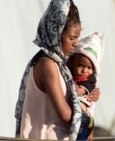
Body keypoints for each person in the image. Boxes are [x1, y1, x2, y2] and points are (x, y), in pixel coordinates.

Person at [14, 0, 100, 140]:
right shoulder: (47, 65)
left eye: (77, 38)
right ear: (56, 33)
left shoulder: (59, 65)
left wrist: (90, 91)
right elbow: (65, 114)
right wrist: (89, 122)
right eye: (72, 38)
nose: (76, 43)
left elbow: (75, 92)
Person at [66, 32, 105, 140]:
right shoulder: (71, 75)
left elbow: (78, 91)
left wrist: (69, 82)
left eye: (89, 68)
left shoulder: (90, 80)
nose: (84, 70)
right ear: (72, 64)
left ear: (93, 70)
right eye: (81, 65)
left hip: (85, 119)